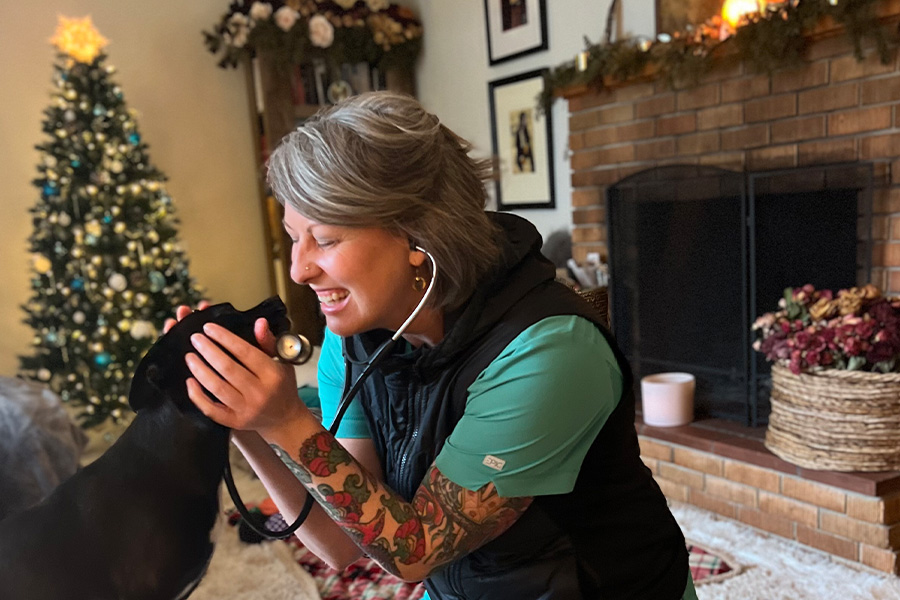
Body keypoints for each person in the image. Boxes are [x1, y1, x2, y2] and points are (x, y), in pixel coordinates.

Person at [176, 91, 697, 600]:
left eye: (326, 239)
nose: (300, 268)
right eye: (294, 237)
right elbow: (341, 542)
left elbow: (415, 548)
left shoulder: (549, 352)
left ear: (417, 239)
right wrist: (246, 417)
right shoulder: (351, 336)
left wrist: (286, 420)